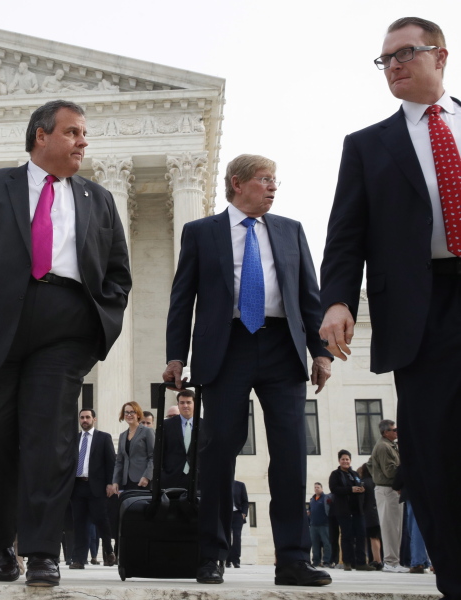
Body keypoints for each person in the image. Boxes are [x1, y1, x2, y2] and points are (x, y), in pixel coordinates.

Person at [0, 99, 131, 587]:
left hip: (63, 328)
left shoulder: (98, 198)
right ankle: (0, 545)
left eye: (84, 134)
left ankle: (42, 551)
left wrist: (100, 321)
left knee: (50, 441)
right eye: (74, 132)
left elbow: (117, 271)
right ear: (42, 135)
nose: (84, 141)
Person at [318, 16, 461, 599]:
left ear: (441, 56)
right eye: (386, 59)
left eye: (406, 53)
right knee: (432, 445)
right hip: (424, 305)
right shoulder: (369, 146)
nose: (394, 65)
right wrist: (336, 300)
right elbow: (345, 234)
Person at [163, 154, 333, 586]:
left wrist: (321, 352)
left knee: (291, 454)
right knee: (219, 453)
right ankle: (212, 555)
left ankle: (293, 559)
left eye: (275, 180)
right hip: (227, 347)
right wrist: (175, 355)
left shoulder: (290, 231)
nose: (273, 187)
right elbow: (183, 298)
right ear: (237, 184)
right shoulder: (201, 232)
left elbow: (309, 297)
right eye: (264, 180)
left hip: (282, 347)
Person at [68, 408, 115, 569]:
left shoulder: (103, 437)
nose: (84, 420)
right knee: (79, 524)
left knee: (101, 521)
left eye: (88, 417)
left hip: (97, 487)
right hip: (78, 486)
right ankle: (79, 559)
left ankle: (108, 551)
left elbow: (111, 462)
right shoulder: (74, 438)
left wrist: (110, 483)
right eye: (82, 418)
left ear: (94, 419)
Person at [368, 419, 406, 572]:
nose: (396, 431)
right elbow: (390, 471)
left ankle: (394, 561)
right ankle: (391, 562)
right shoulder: (384, 447)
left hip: (389, 489)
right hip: (388, 489)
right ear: (385, 432)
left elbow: (370, 464)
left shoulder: (389, 445)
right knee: (390, 527)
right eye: (394, 429)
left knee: (395, 527)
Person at [329, 450, 374, 571]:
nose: (345, 461)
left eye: (347, 459)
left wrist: (361, 490)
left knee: (361, 535)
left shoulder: (354, 474)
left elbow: (359, 485)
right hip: (344, 510)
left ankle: (361, 562)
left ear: (350, 460)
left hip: (357, 510)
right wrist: (351, 489)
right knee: (347, 536)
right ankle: (347, 561)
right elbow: (334, 489)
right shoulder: (335, 474)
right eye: (343, 459)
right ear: (339, 461)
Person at [156, 390, 205, 490]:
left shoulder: (205, 425)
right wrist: (162, 474)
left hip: (198, 479)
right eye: (182, 402)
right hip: (171, 478)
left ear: (195, 404)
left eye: (188, 402)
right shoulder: (166, 425)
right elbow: (159, 451)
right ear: (178, 404)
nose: (185, 405)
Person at [112, 402, 154, 492]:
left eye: (132, 412)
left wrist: (147, 476)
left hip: (142, 480)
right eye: (126, 412)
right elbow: (119, 461)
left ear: (138, 414)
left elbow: (153, 456)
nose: (129, 415)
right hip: (126, 481)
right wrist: (115, 481)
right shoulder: (122, 435)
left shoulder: (147, 431)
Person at [356, 464, 383, 569]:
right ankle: (377, 559)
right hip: (377, 512)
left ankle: (377, 560)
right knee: (376, 537)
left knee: (373, 537)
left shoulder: (364, 483)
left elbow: (361, 500)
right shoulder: (376, 482)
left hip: (369, 514)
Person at [308, 482, 332, 568]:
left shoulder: (326, 498)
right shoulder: (312, 499)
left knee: (326, 543)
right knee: (315, 544)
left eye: (318, 487)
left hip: (324, 525)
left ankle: (326, 561)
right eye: (315, 487)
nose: (316, 489)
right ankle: (315, 561)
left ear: (322, 488)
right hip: (313, 525)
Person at [228, 480, 249, 568]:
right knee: (227, 537)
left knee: (237, 537)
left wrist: (244, 513)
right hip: (226, 515)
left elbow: (245, 501)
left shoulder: (240, 485)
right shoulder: (222, 484)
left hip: (237, 514)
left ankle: (236, 560)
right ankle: (227, 560)